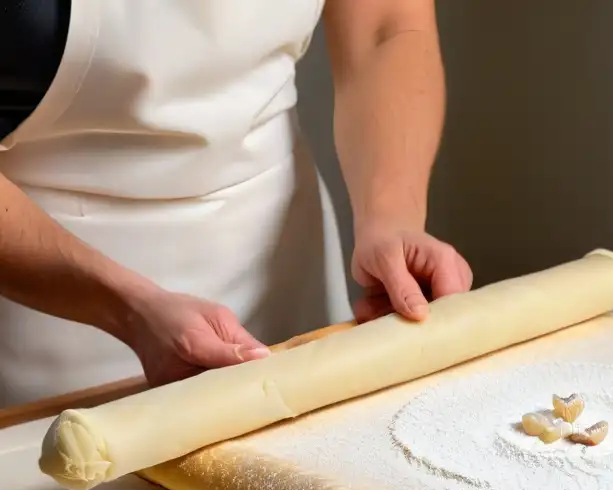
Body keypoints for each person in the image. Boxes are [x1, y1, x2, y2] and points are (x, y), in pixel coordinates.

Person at [0, 0, 473, 407]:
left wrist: (391, 216)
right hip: (48, 304)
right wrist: (127, 306)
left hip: (282, 269)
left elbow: (385, 26)